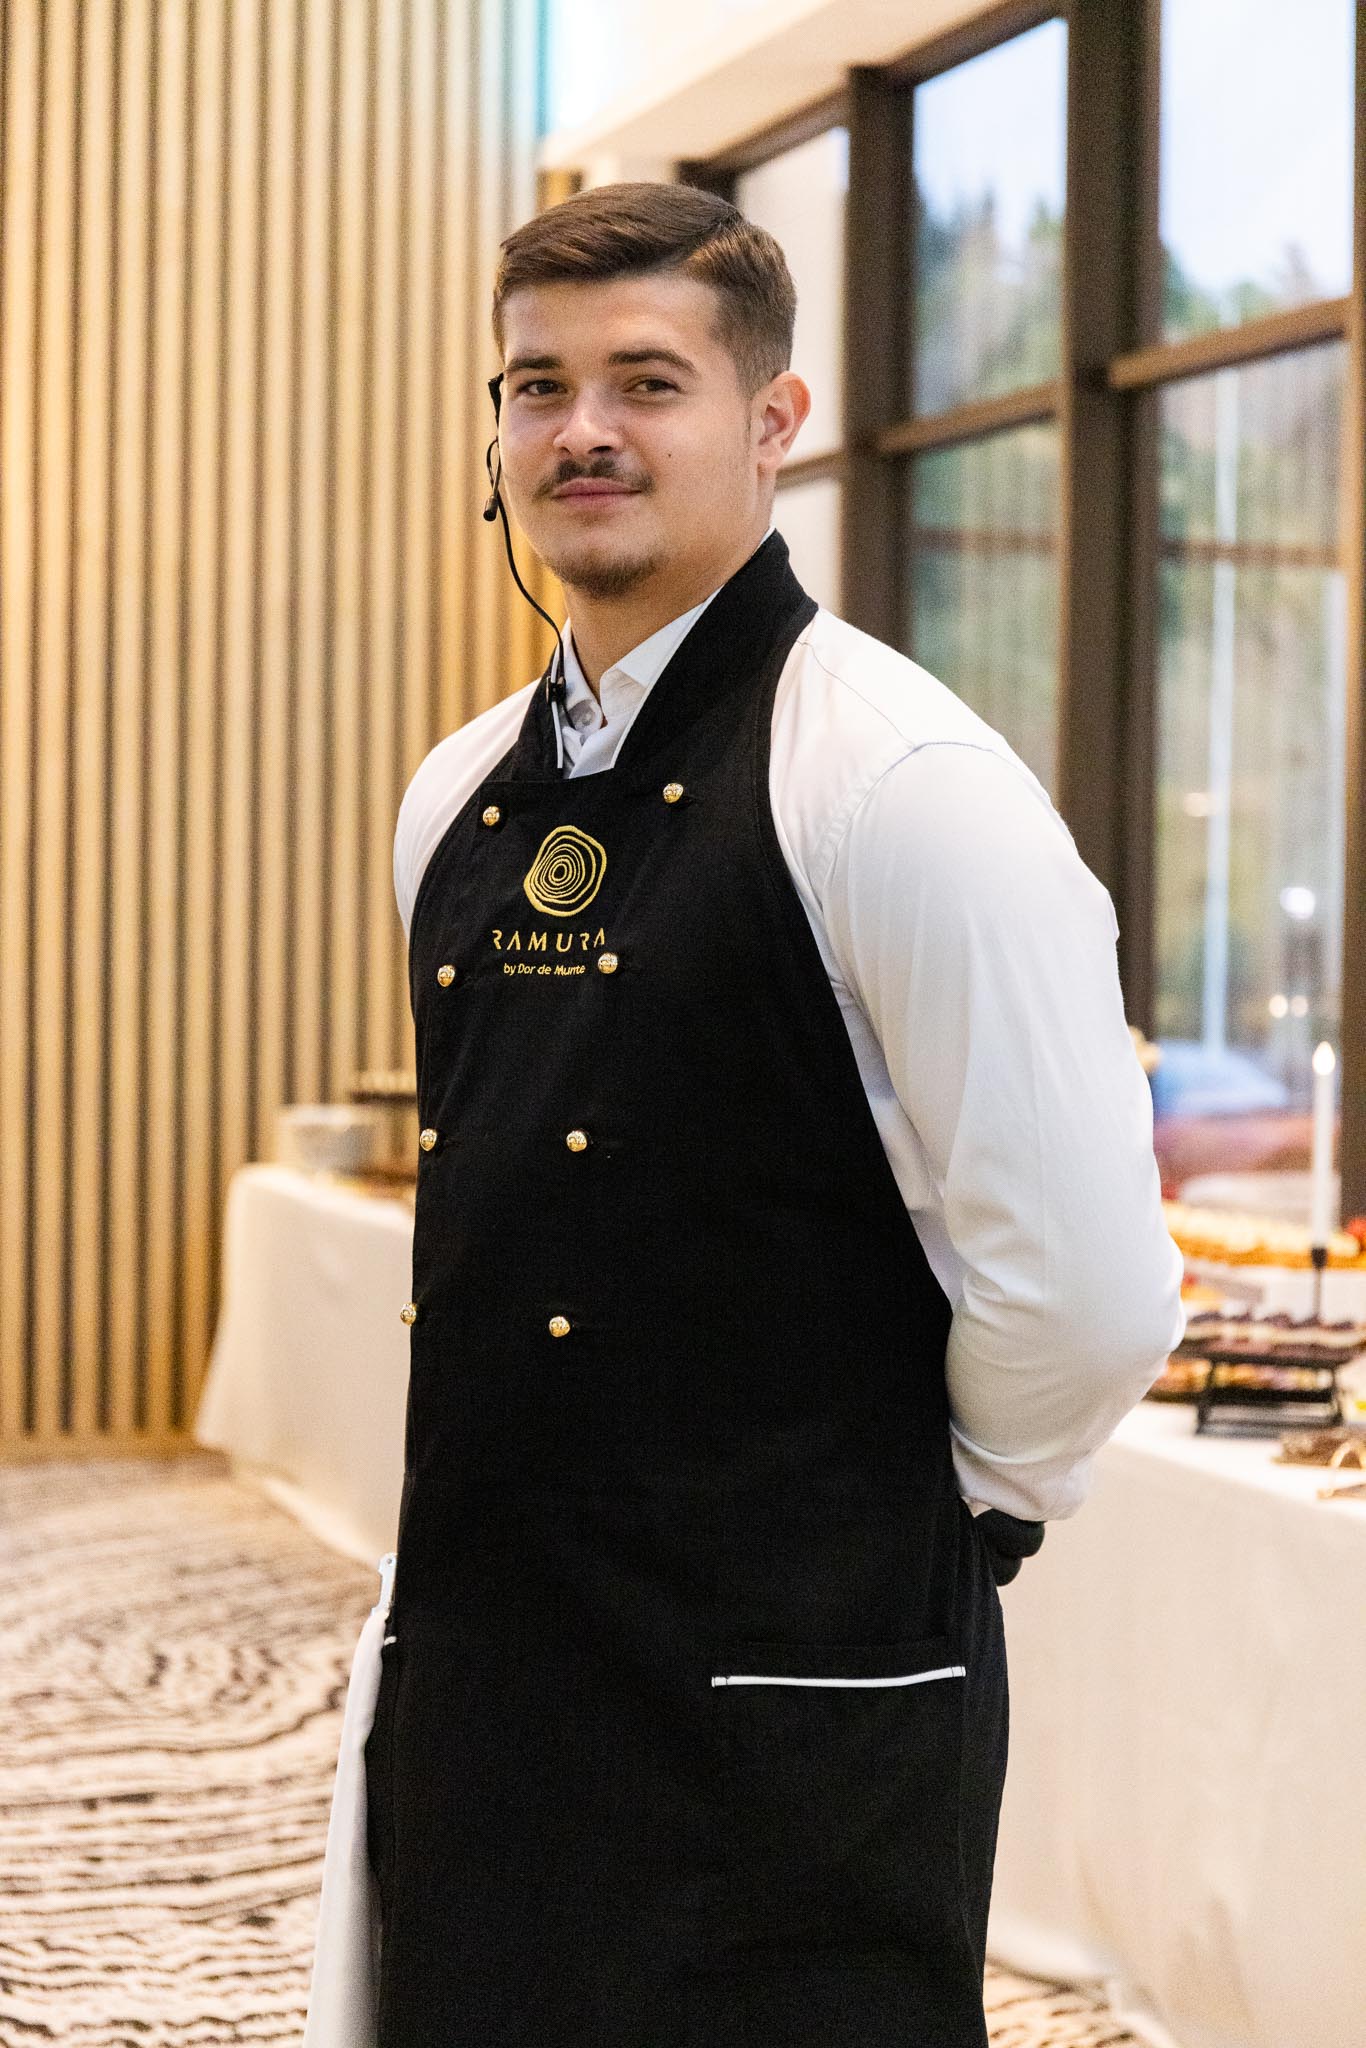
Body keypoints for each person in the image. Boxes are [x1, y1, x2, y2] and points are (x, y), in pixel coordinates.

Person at [363, 180, 1186, 2047]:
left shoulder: (901, 782)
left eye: (645, 381)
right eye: (537, 385)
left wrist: (914, 1517)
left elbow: (1086, 1293)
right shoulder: (453, 796)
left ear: (773, 419)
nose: (581, 429)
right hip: (497, 1658)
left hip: (804, 1688)